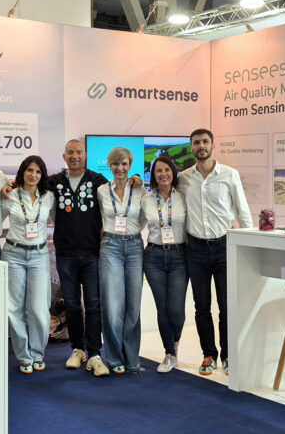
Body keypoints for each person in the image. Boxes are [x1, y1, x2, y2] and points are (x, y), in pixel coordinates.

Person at [179, 128, 252, 376]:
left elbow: (243, 212)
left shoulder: (230, 174)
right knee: (201, 307)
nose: (201, 146)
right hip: (195, 250)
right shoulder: (184, 178)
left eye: (205, 141)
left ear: (212, 145)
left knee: (227, 306)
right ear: (191, 147)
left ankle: (229, 355)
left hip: (224, 248)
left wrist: (247, 246)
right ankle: (208, 355)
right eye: (196, 142)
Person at [49, 139, 110, 376]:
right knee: (73, 305)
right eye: (70, 152)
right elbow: (28, 183)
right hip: (66, 255)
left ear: (85, 155)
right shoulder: (55, 182)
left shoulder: (97, 180)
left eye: (78, 152)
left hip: (92, 253)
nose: (75, 156)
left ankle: (94, 353)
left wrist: (135, 179)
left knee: (93, 305)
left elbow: (118, 191)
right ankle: (77, 349)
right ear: (64, 156)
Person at [2, 156, 56, 374]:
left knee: (39, 308)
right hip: (13, 255)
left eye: (38, 172)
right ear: (22, 172)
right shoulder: (9, 195)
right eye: (29, 170)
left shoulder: (49, 197)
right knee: (13, 308)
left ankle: (37, 353)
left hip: (39, 256)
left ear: (42, 175)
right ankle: (24, 356)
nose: (33, 175)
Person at [98, 147, 147, 374]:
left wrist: (131, 232)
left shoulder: (139, 189)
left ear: (130, 166)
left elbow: (143, 219)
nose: (120, 168)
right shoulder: (101, 190)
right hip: (110, 247)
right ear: (110, 166)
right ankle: (114, 357)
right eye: (116, 164)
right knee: (112, 306)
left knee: (133, 306)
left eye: (124, 164)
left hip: (135, 246)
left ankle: (132, 358)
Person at [141, 156, 189, 373]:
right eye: (158, 171)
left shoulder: (183, 197)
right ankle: (169, 353)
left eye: (167, 170)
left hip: (179, 255)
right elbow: (136, 223)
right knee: (162, 307)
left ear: (173, 172)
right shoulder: (147, 199)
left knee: (176, 309)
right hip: (154, 256)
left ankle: (175, 341)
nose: (163, 174)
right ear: (153, 175)